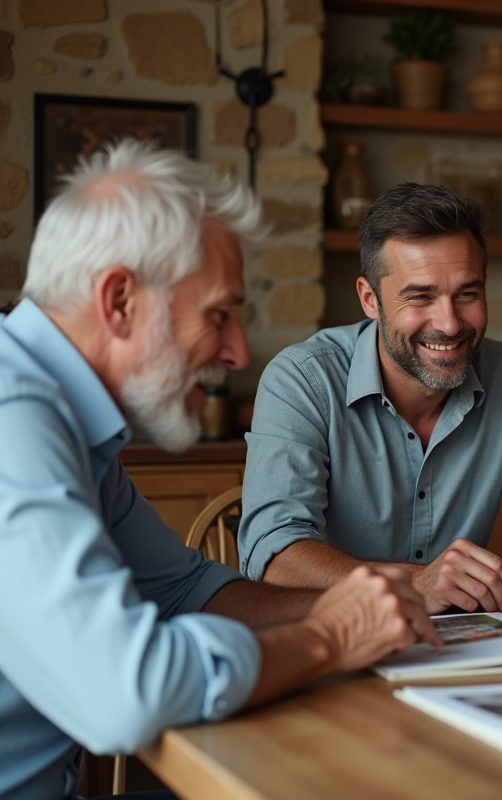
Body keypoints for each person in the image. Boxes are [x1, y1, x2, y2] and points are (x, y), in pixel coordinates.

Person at [0, 140, 440, 800]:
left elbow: (185, 591)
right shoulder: (14, 416)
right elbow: (129, 694)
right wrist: (330, 635)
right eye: (218, 313)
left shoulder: (69, 425)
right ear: (119, 299)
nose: (237, 352)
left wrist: (360, 602)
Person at [238, 183, 502, 614]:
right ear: (369, 299)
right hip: (336, 638)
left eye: (466, 294)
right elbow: (273, 551)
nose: (450, 323)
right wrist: (416, 584)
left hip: (462, 646)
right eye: (420, 297)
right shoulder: (301, 379)